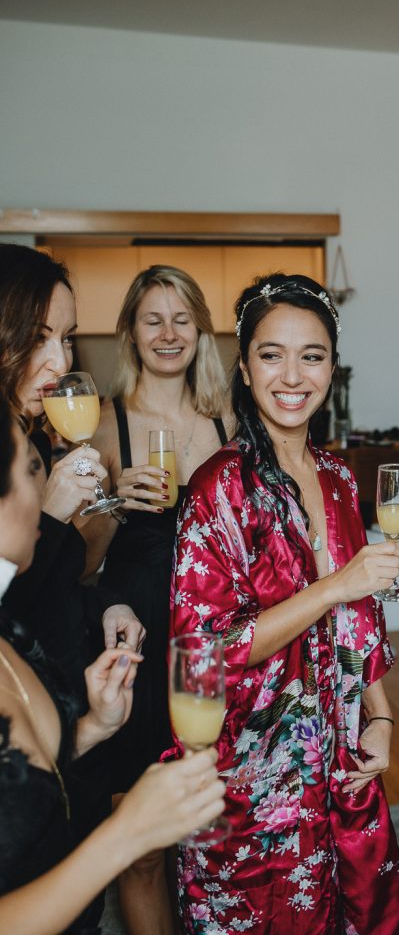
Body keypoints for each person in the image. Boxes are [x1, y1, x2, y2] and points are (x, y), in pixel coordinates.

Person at [169, 273, 399, 934]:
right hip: (253, 775)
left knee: (361, 910)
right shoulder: (216, 488)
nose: (292, 375)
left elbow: (363, 620)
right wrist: (334, 584)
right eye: (271, 354)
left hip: (342, 757)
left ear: (332, 366)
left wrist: (381, 719)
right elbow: (209, 650)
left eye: (312, 355)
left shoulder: (336, 476)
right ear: (244, 368)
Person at [0, 393, 226, 935]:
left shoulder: (11, 624)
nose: (52, 490)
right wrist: (127, 833)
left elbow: (20, 789)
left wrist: (88, 730)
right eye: (33, 469)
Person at [83, 264, 230, 934]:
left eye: (181, 318)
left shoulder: (230, 418)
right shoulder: (105, 423)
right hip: (137, 641)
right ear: (131, 333)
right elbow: (78, 565)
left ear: (199, 328)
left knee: (218, 828)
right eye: (152, 319)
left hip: (216, 640)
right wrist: (115, 502)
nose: (168, 333)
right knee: (142, 844)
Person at [0, 243, 143, 694]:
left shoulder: (34, 441)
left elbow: (52, 584)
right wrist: (50, 514)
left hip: (68, 701)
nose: (60, 363)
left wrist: (105, 604)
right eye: (37, 337)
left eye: (65, 338)